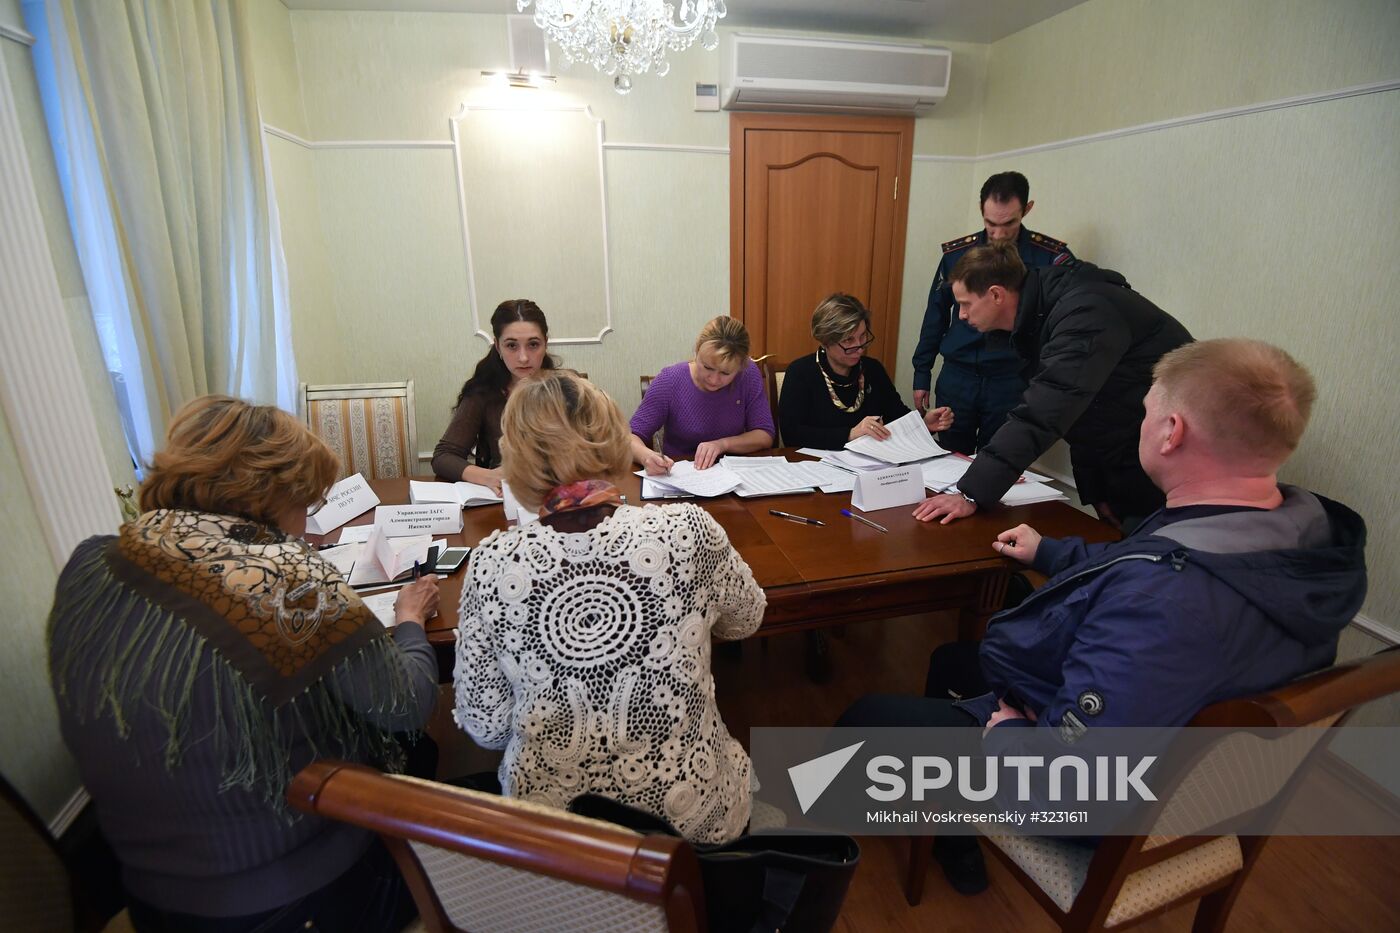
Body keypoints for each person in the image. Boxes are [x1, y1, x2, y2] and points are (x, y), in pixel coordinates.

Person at [842, 339, 1368, 893]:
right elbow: (1150, 559)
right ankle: (947, 826)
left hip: (1107, 800)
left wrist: (1010, 737)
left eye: (1145, 411)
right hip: (1180, 741)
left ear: (1172, 431)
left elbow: (1072, 786)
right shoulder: (1296, 530)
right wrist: (1050, 552)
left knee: (864, 716)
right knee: (953, 661)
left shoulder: (1159, 604)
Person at [48, 396, 441, 933]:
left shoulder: (92, 558)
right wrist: (409, 620)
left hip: (148, 896)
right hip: (292, 903)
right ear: (271, 493)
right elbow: (408, 704)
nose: (304, 528)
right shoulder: (287, 576)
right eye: (305, 502)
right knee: (422, 751)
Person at [455, 371, 767, 844]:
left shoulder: (491, 564)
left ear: (515, 458)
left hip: (556, 844)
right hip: (691, 822)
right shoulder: (686, 531)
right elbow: (747, 619)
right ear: (611, 440)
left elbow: (489, 727)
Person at [913, 242, 1192, 528]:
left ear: (996, 294)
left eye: (965, 303)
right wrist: (1096, 490)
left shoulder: (1083, 313)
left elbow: (1045, 411)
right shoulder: (1044, 315)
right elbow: (1082, 412)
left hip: (1168, 457)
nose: (960, 315)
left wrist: (970, 494)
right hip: (1126, 453)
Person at [911, 171, 1074, 454]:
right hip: (958, 376)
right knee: (947, 458)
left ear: (1027, 209)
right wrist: (921, 373)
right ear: (981, 211)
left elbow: (1064, 321)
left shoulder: (1049, 258)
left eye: (1009, 223)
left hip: (1010, 379)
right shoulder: (956, 255)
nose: (998, 234)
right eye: (990, 223)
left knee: (999, 459)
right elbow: (935, 316)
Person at [779, 293, 953, 449]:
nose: (859, 348)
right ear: (825, 341)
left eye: (862, 336)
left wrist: (923, 425)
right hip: (818, 469)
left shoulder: (872, 369)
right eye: (848, 340)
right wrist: (850, 434)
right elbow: (792, 435)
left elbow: (897, 416)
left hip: (871, 468)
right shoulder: (800, 373)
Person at [433, 298, 557, 492]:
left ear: (545, 344)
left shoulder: (567, 388)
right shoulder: (483, 393)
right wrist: (488, 476)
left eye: (533, 344)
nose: (523, 357)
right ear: (498, 347)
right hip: (504, 501)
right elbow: (443, 457)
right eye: (512, 346)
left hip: (561, 499)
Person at [630, 316, 776, 473]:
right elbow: (629, 437)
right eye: (707, 367)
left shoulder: (748, 374)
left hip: (733, 476)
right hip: (681, 477)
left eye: (725, 373)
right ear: (697, 350)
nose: (714, 380)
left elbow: (764, 435)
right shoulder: (671, 380)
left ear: (740, 366)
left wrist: (722, 445)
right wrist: (647, 456)